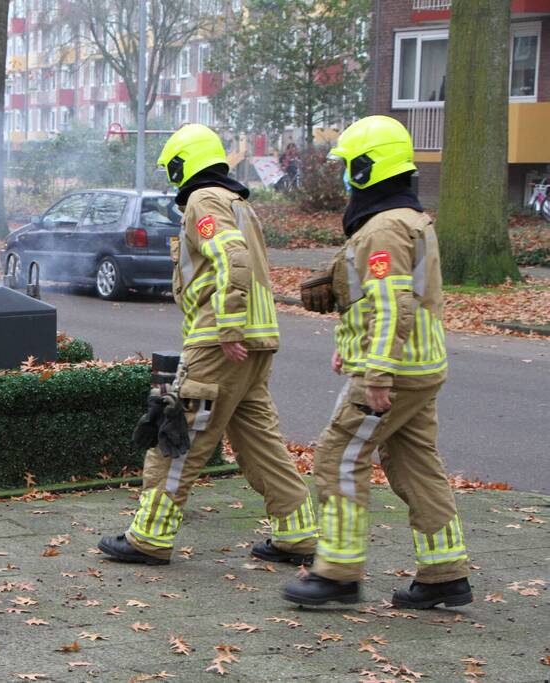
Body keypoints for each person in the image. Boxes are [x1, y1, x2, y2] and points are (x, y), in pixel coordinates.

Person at [98, 124, 318, 566]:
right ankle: (298, 534)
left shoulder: (204, 200)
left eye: (173, 169)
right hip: (254, 347)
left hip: (220, 345)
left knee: (179, 435)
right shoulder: (239, 205)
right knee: (262, 444)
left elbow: (230, 259)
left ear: (185, 164)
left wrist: (229, 327)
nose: (172, 180)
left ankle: (150, 536)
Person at [283, 116, 471, 609]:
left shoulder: (385, 228)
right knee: (416, 465)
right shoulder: (410, 219)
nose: (345, 175)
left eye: (348, 166)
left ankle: (339, 573)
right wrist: (351, 342)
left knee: (338, 457)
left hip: (396, 371)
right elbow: (383, 302)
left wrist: (377, 373)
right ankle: (444, 573)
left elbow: (392, 306)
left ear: (368, 169)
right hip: (421, 365)